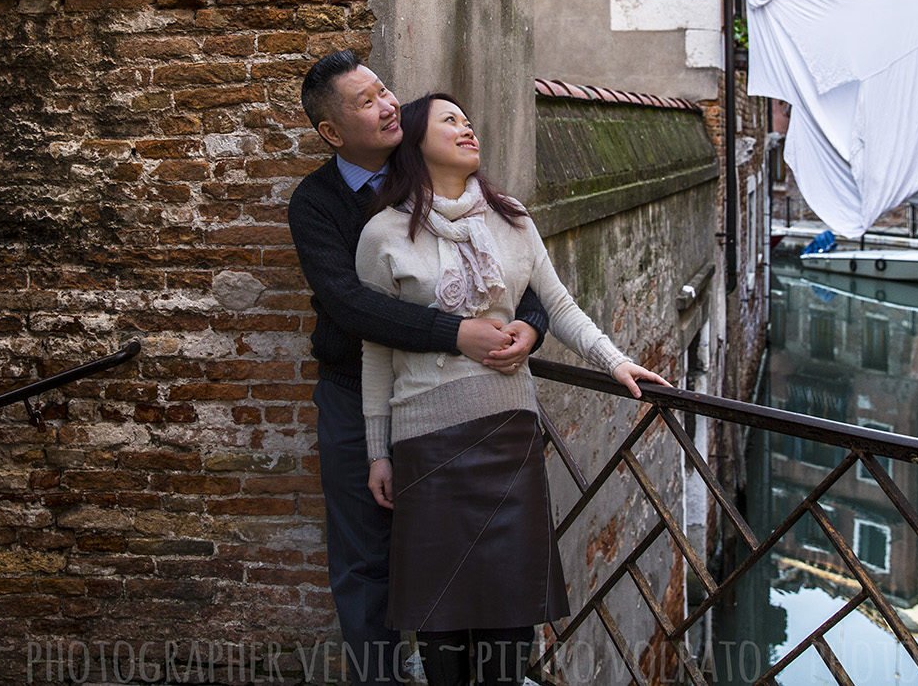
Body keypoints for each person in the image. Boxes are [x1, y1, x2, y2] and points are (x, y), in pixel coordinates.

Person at [356, 93, 669, 686]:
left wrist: (615, 362)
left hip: (509, 434)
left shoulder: (513, 219)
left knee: (511, 611)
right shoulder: (383, 234)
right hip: (426, 442)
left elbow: (558, 304)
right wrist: (378, 449)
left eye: (469, 119)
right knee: (440, 614)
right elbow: (377, 348)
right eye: (450, 120)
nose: (467, 127)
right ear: (416, 140)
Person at [287, 52, 552, 686]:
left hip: (458, 407)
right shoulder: (316, 203)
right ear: (331, 132)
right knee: (364, 557)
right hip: (358, 395)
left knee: (467, 550)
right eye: (365, 102)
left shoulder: (444, 175)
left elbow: (523, 271)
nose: (385, 106)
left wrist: (531, 328)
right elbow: (353, 306)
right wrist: (455, 333)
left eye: (385, 92)